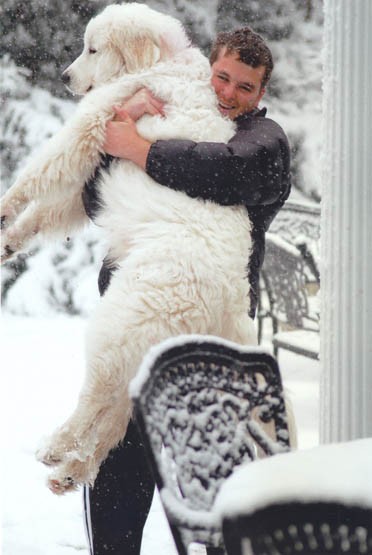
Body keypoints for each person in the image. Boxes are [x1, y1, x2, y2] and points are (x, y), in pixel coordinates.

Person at [82, 27, 291, 555]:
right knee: (114, 527)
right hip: (133, 343)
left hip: (208, 356)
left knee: (214, 530)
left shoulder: (262, 142)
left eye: (245, 87)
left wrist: (141, 149)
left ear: (259, 96)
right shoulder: (158, 118)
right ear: (206, 72)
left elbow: (230, 172)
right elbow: (94, 199)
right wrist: (125, 134)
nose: (228, 93)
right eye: (221, 77)